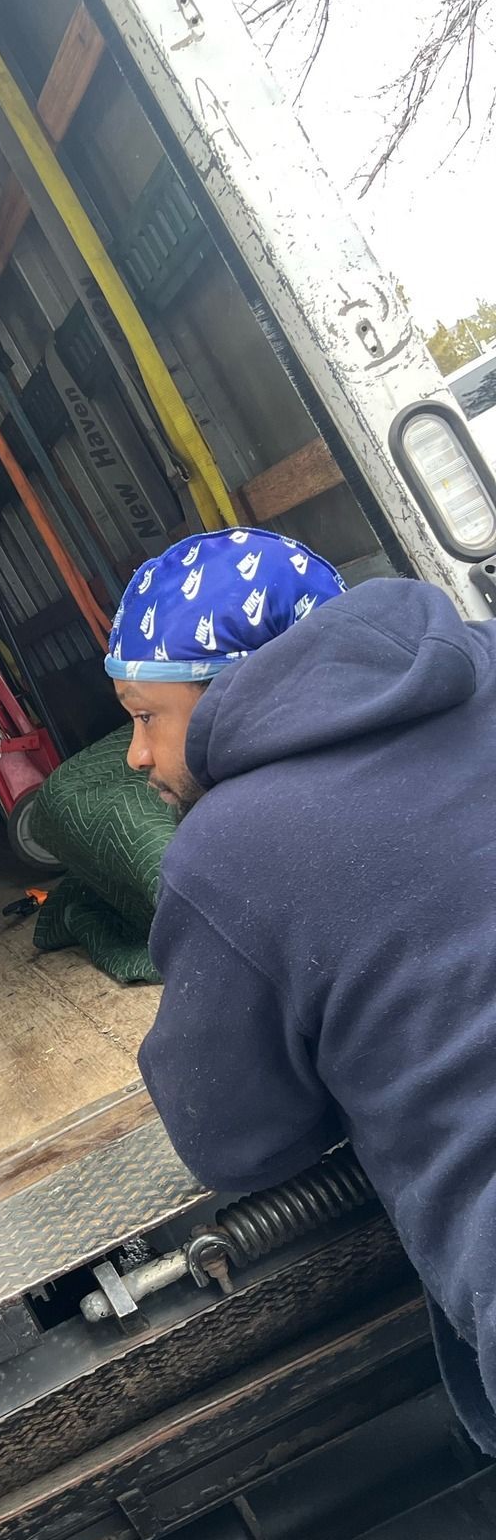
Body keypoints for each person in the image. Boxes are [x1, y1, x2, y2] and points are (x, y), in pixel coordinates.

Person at [107, 524, 496, 1455]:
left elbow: (238, 1142)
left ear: (228, 689)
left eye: (143, 714)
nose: (133, 755)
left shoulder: (231, 851)